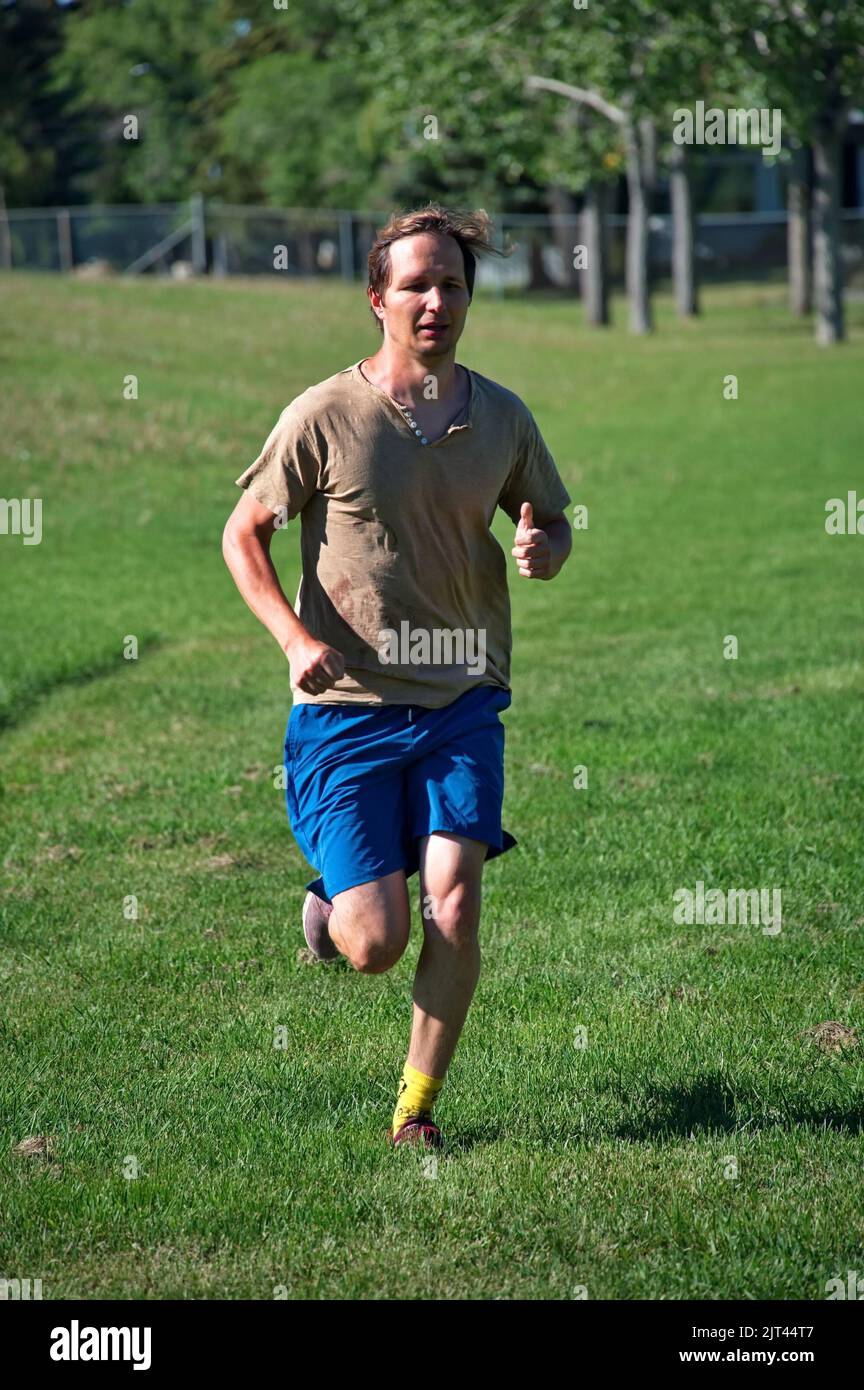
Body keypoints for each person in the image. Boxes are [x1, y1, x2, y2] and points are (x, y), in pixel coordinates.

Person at [222, 204, 572, 1149]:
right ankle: (330, 899)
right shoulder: (325, 414)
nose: (435, 301)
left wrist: (546, 543)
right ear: (378, 297)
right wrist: (296, 641)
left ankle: (415, 1113)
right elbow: (242, 532)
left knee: (454, 901)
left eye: (452, 284)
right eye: (415, 284)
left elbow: (548, 513)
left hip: (463, 693)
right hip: (347, 708)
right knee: (373, 944)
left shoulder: (501, 415)